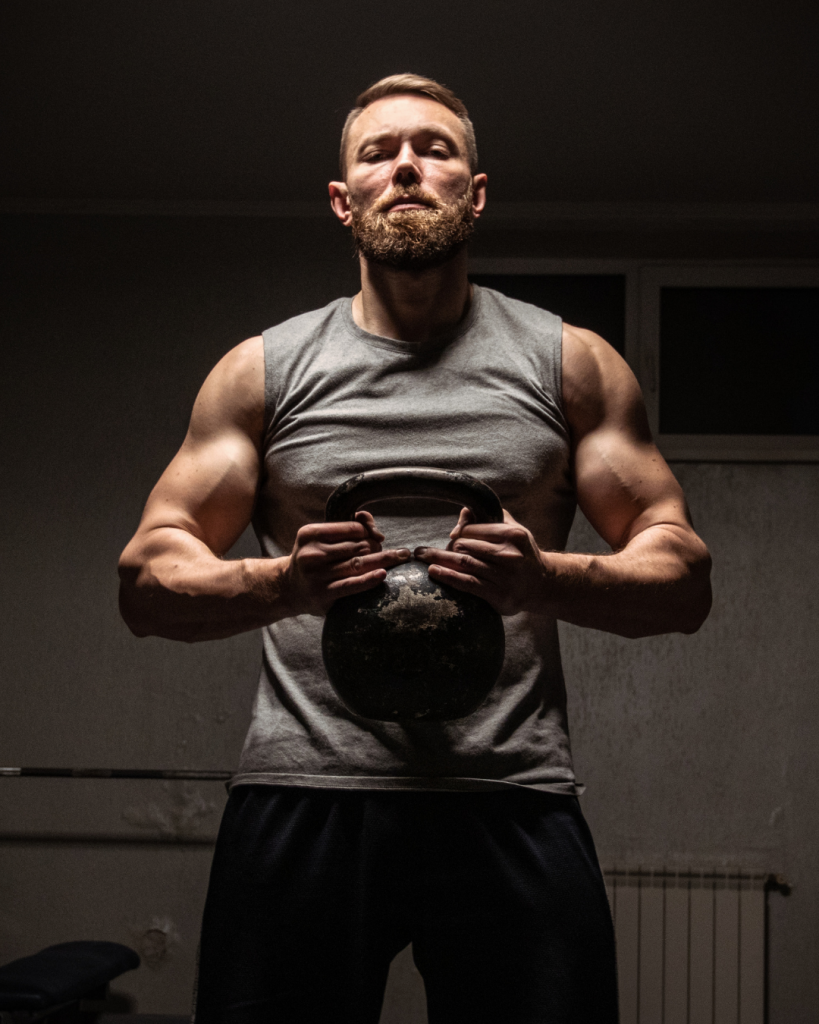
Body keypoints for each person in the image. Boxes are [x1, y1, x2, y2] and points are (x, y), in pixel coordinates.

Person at [119, 73, 711, 1024]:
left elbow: (681, 578)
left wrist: (544, 576)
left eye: (434, 149)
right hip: (305, 791)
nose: (405, 166)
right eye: (376, 152)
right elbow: (147, 580)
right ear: (341, 199)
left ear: (474, 192)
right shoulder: (262, 373)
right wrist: (282, 582)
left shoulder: (572, 363)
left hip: (506, 790)